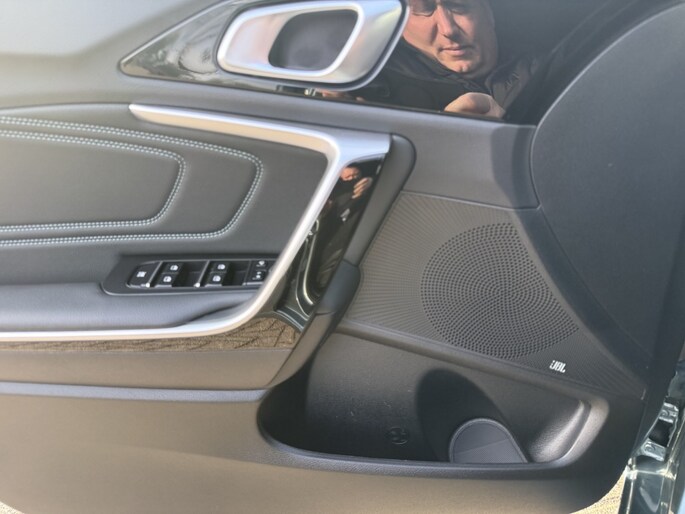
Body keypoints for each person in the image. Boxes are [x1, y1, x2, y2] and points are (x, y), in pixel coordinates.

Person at [325, 0, 537, 119]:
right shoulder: (366, 91)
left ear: (489, 11)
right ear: (399, 23)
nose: (448, 29)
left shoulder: (549, 75)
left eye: (459, 5)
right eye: (423, 10)